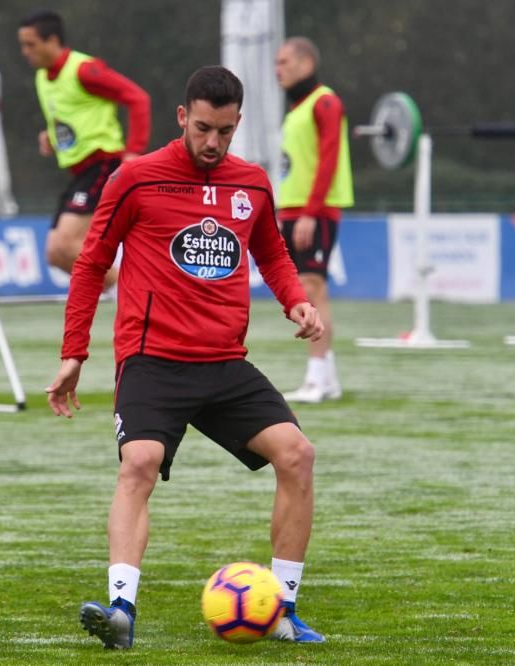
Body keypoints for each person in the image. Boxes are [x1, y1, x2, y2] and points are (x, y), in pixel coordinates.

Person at [45, 66, 328, 649]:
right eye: (202, 128)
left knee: (297, 455)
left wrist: (296, 301)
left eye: (224, 131)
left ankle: (281, 611)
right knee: (139, 463)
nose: (212, 142)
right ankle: (121, 610)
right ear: (182, 118)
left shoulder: (251, 184)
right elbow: (91, 262)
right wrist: (75, 353)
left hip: (224, 363)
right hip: (154, 360)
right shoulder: (135, 179)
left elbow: (271, 252)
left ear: (237, 124)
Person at [18, 10, 151, 288]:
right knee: (56, 254)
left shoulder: (84, 70)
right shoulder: (43, 77)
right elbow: (76, 117)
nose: (25, 52)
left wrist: (134, 152)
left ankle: (141, 295)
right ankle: (128, 300)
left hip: (103, 164)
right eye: (23, 45)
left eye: (31, 44)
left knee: (66, 246)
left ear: (52, 40)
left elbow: (138, 98)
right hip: (81, 173)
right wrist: (52, 137)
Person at [275, 37, 354, 403]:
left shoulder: (325, 102)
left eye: (285, 62)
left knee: (312, 287)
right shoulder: (297, 109)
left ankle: (317, 377)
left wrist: (310, 211)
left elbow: (328, 159)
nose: (279, 69)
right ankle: (329, 378)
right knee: (307, 288)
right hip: (292, 209)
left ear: (307, 64)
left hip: (314, 212)